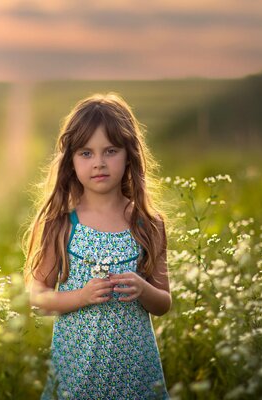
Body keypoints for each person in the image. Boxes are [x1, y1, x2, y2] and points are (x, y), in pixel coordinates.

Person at [23, 93, 171, 399]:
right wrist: (82, 296)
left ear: (129, 154)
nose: (99, 163)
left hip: (135, 373)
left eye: (111, 151)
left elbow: (164, 302)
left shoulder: (148, 223)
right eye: (86, 153)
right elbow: (37, 296)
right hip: (77, 373)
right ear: (71, 161)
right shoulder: (62, 223)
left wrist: (144, 291)